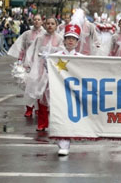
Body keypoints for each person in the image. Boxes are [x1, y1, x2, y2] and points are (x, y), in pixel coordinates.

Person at [23, 17, 64, 131]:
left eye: (52, 23)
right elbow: (34, 52)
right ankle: (42, 123)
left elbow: (62, 53)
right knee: (41, 97)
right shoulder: (40, 38)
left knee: (54, 98)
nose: (50, 25)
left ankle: (57, 124)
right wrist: (31, 66)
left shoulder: (60, 39)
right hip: (41, 71)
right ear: (45, 25)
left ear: (56, 25)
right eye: (48, 23)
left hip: (54, 72)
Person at [8, 14, 45, 117]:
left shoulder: (45, 34)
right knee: (29, 87)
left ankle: (38, 108)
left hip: (40, 65)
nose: (37, 21)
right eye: (35, 20)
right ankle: (29, 108)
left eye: (39, 19)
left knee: (39, 87)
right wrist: (20, 61)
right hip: (28, 64)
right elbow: (22, 48)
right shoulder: (27, 34)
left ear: (42, 21)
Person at [55, 23, 83, 156]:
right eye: (68, 38)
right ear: (64, 40)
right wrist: (45, 59)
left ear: (77, 42)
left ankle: (68, 140)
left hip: (75, 93)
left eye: (74, 38)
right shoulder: (55, 56)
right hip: (59, 91)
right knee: (60, 116)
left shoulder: (82, 58)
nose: (71, 41)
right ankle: (63, 144)